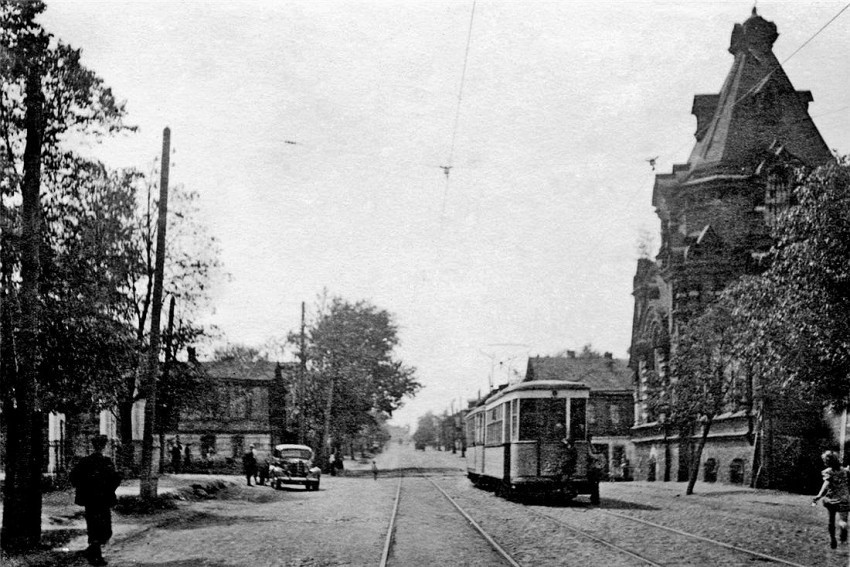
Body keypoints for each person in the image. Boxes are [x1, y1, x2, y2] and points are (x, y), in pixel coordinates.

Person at [69, 434, 122, 566]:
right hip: (102, 500)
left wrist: (83, 488)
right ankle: (95, 556)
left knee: (94, 526)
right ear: (103, 447)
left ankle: (92, 550)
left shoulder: (85, 462)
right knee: (103, 528)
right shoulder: (107, 462)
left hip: (91, 500)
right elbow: (114, 480)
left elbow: (73, 477)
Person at [813, 450, 850, 549]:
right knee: (844, 519)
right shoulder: (844, 471)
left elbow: (825, 485)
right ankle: (843, 528)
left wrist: (819, 495)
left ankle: (833, 539)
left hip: (832, 498)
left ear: (827, 461)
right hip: (845, 498)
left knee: (831, 520)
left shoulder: (828, 472)